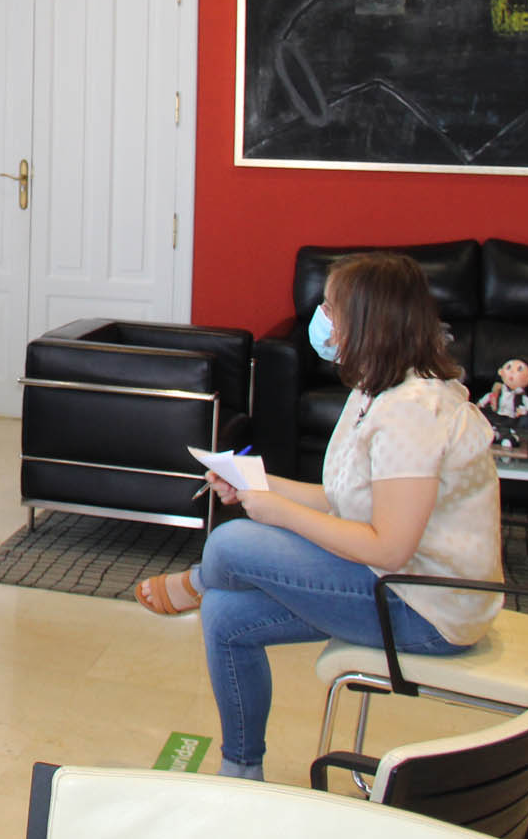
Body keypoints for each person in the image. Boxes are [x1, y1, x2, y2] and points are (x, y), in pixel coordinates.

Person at [134, 251, 502, 781]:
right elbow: (342, 498)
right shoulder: (377, 390)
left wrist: (277, 511)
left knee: (229, 546)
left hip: (427, 609)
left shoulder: (412, 414)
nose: (322, 320)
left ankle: (196, 580)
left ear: (367, 323)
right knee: (225, 617)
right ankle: (242, 772)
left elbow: (388, 548)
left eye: (331, 308)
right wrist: (254, 484)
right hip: (394, 586)